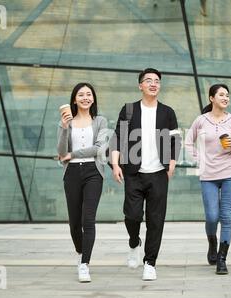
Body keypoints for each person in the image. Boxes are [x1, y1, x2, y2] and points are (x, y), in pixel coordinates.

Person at [110, 68, 181, 281]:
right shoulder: (129, 109)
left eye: (157, 81)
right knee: (132, 216)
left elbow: (175, 140)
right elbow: (118, 137)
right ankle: (134, 241)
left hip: (159, 173)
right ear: (140, 85)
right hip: (134, 172)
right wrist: (115, 164)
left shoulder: (167, 112)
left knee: (156, 220)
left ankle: (150, 262)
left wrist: (172, 165)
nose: (153, 84)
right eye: (148, 80)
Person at [185, 84, 231, 274]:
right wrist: (198, 158)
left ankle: (222, 258)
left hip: (230, 174)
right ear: (212, 98)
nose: (226, 98)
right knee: (212, 216)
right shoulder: (201, 120)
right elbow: (187, 142)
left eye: (227, 95)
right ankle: (212, 240)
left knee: (226, 217)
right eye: (221, 95)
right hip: (208, 175)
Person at [57, 83, 108, 283]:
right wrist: (63, 128)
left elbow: (98, 148)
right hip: (71, 173)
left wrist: (73, 154)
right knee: (74, 223)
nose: (85, 97)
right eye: (81, 94)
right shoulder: (66, 122)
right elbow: (61, 153)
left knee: (88, 219)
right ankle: (81, 253)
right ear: (74, 99)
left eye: (89, 94)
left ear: (93, 99)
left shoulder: (100, 121)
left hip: (93, 172)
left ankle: (85, 264)